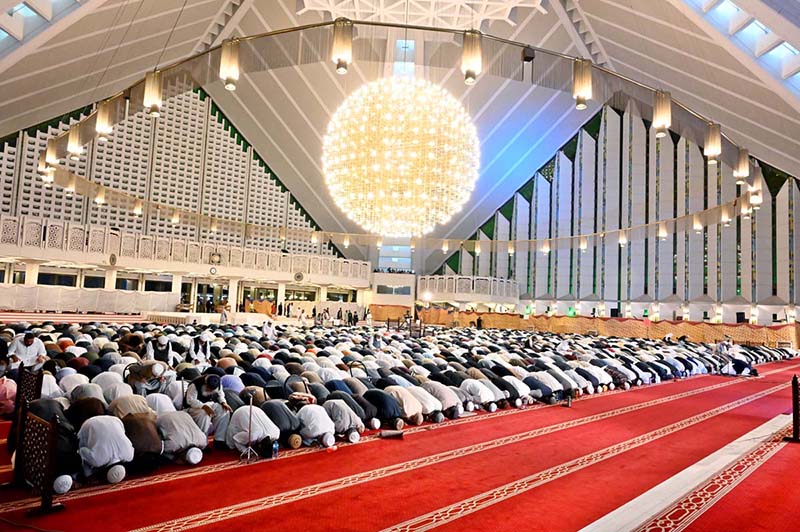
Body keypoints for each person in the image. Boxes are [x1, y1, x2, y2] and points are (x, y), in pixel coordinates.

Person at [184, 374, 232, 446]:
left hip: (209, 404)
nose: (210, 391)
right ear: (206, 384)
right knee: (204, 413)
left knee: (224, 410)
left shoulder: (218, 383)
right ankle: (203, 443)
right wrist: (203, 406)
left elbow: (220, 394)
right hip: (194, 408)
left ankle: (219, 439)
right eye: (209, 388)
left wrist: (223, 402)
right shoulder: (195, 385)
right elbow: (190, 401)